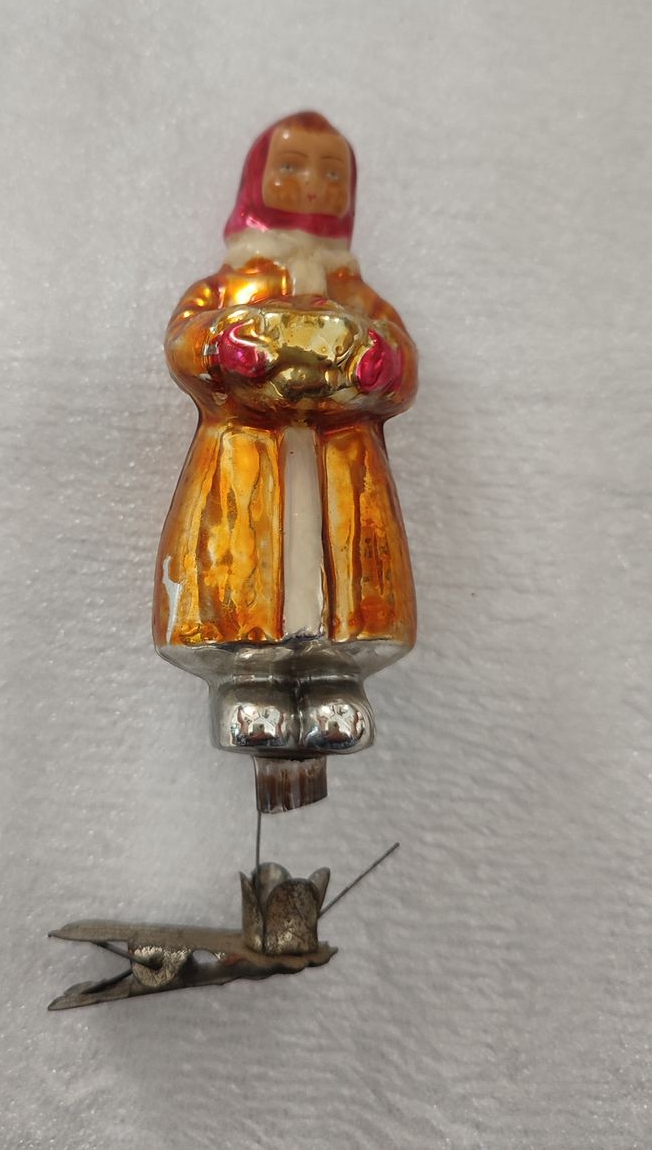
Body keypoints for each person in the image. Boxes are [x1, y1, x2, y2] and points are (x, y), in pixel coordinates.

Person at [153, 111, 417, 810]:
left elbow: (401, 365)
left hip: (339, 461)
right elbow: (185, 340)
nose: (313, 184)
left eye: (333, 172)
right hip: (248, 456)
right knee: (249, 571)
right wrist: (226, 345)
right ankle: (250, 681)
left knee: (342, 576)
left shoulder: (357, 297)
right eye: (293, 167)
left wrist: (377, 362)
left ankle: (334, 677)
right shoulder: (229, 286)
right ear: (258, 180)